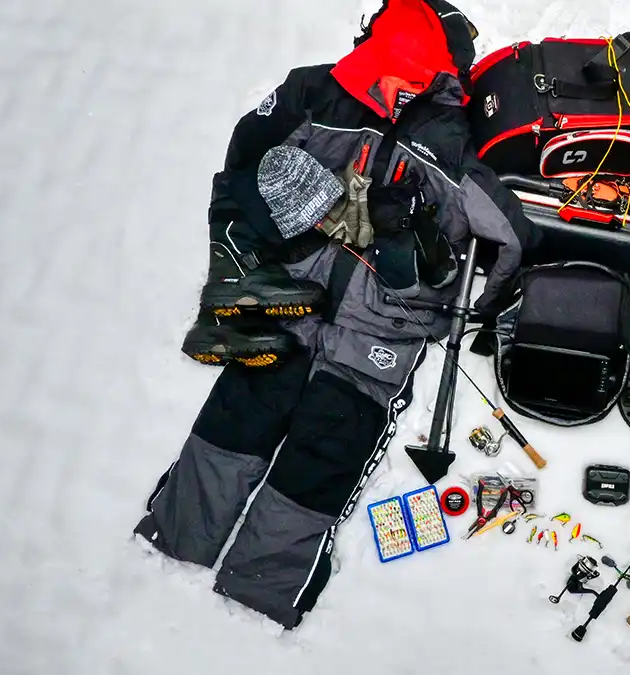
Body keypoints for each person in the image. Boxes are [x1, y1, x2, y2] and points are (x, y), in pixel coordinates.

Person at [133, 0, 541, 630]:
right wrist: (245, 242)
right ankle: (181, 531)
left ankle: (266, 584)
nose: (398, 88)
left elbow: (512, 240)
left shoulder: (454, 142)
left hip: (381, 328)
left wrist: (475, 312)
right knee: (241, 411)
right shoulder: (313, 91)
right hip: (294, 303)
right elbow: (243, 164)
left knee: (325, 450)